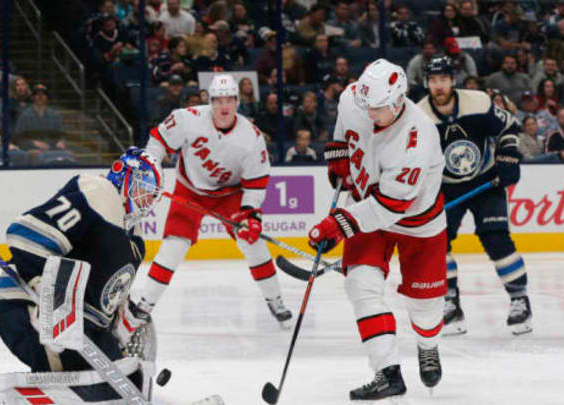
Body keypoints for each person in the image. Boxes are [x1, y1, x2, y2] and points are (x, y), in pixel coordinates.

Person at [308, 59, 446, 400]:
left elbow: (389, 207)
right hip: (367, 208)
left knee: (425, 308)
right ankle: (387, 372)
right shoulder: (356, 99)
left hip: (416, 221)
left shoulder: (418, 137)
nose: (370, 114)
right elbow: (344, 125)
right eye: (366, 106)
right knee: (360, 285)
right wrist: (339, 156)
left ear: (399, 100)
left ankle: (428, 345)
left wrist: (337, 224)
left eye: (379, 108)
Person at [0, 147, 163, 401]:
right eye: (142, 189)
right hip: (28, 310)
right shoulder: (98, 194)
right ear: (121, 174)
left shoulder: (135, 241)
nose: (146, 200)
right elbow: (24, 232)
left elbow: (110, 302)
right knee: (92, 382)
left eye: (152, 195)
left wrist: (124, 336)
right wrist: (49, 292)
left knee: (122, 382)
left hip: (84, 330)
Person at [139, 74, 293, 327]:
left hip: (229, 195)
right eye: (219, 100)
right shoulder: (187, 119)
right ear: (209, 101)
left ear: (237, 102)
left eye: (230, 100)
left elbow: (256, 182)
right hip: (189, 190)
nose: (224, 106)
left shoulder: (251, 137)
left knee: (253, 245)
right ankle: (145, 305)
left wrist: (250, 213)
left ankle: (275, 301)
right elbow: (158, 141)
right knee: (172, 248)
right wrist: (149, 170)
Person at [418, 56, 532, 336]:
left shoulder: (478, 102)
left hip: (486, 180)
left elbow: (508, 127)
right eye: (433, 81)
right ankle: (450, 303)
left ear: (452, 80)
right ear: (427, 83)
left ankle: (520, 300)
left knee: (495, 238)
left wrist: (507, 157)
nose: (439, 86)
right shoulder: (419, 116)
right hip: (446, 187)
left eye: (443, 79)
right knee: (437, 243)